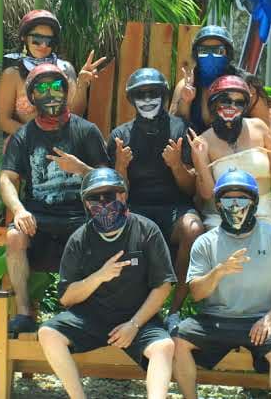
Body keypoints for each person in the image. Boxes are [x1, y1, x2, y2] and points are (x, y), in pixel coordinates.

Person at [37, 168, 177, 399]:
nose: (103, 204)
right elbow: (66, 297)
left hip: (137, 318)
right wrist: (99, 276)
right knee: (48, 333)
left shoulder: (146, 230)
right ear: (86, 203)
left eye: (109, 196)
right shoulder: (79, 239)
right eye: (95, 197)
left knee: (164, 347)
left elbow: (163, 285)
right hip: (91, 319)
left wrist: (134, 324)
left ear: (122, 196)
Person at [172, 171, 271, 399]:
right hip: (215, 319)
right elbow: (197, 293)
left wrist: (270, 318)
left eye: (242, 198)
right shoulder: (205, 242)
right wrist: (219, 271)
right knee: (177, 341)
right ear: (218, 204)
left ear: (254, 202)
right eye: (228, 199)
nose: (235, 205)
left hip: (261, 320)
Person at [0, 63, 109, 336]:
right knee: (14, 237)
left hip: (81, 216)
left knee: (104, 235)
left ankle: (86, 314)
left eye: (57, 86)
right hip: (38, 217)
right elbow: (6, 179)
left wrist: (81, 169)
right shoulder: (23, 136)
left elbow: (108, 180)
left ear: (66, 90)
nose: (51, 94)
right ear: (32, 96)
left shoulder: (86, 131)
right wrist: (19, 210)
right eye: (43, 88)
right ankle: (24, 313)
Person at [107, 68, 204, 331]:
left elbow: (191, 189)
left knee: (193, 229)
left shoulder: (181, 129)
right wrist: (121, 167)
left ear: (163, 95)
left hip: (174, 208)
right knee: (115, 227)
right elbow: (117, 195)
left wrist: (176, 165)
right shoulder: (120, 136)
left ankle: (174, 311)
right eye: (141, 94)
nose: (148, 99)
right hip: (136, 209)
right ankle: (130, 313)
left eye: (153, 93)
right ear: (132, 99)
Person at [187, 75, 271, 229]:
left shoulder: (259, 127)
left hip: (263, 213)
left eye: (239, 102)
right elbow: (207, 194)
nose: (232, 106)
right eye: (226, 101)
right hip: (222, 217)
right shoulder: (203, 142)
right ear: (214, 103)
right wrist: (200, 160)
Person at [0, 9, 105, 136]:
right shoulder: (12, 75)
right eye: (37, 39)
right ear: (24, 38)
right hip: (26, 142)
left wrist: (82, 84)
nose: (43, 45)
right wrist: (37, 138)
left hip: (63, 141)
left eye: (49, 41)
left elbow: (76, 113)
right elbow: (4, 121)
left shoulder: (65, 69)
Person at [170, 25, 270, 132]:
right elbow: (175, 127)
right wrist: (185, 102)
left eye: (218, 51)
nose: (210, 56)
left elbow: (265, 129)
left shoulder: (246, 85)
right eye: (203, 51)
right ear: (196, 55)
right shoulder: (186, 85)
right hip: (196, 141)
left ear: (228, 54)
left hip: (237, 142)